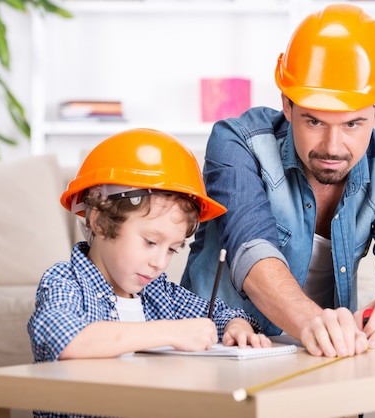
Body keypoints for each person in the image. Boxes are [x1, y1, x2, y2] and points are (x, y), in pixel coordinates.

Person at [182, 4, 375, 358]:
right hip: (223, 350)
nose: (333, 148)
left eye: (352, 124)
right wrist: (315, 324)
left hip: (321, 353)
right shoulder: (237, 141)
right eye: (314, 122)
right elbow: (251, 253)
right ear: (287, 104)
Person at [28, 128, 271, 366]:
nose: (160, 263)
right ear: (100, 223)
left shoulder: (159, 293)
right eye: (151, 242)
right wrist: (170, 332)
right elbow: (62, 339)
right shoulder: (66, 282)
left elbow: (222, 314)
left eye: (172, 249)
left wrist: (236, 327)